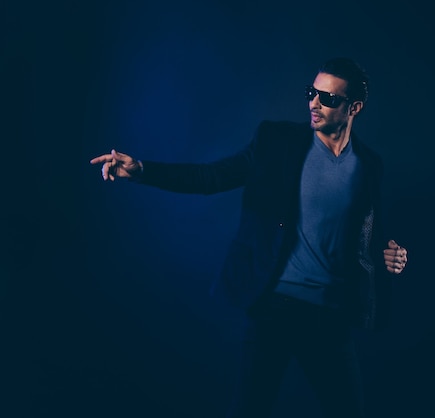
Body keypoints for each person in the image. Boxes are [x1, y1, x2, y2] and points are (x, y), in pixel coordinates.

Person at [90, 57, 408, 418]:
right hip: (275, 306)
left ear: (355, 108)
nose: (314, 104)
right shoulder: (278, 141)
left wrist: (389, 255)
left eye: (328, 98)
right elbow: (211, 177)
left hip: (330, 314)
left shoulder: (368, 164)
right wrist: (142, 170)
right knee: (249, 409)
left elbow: (366, 235)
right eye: (311, 93)